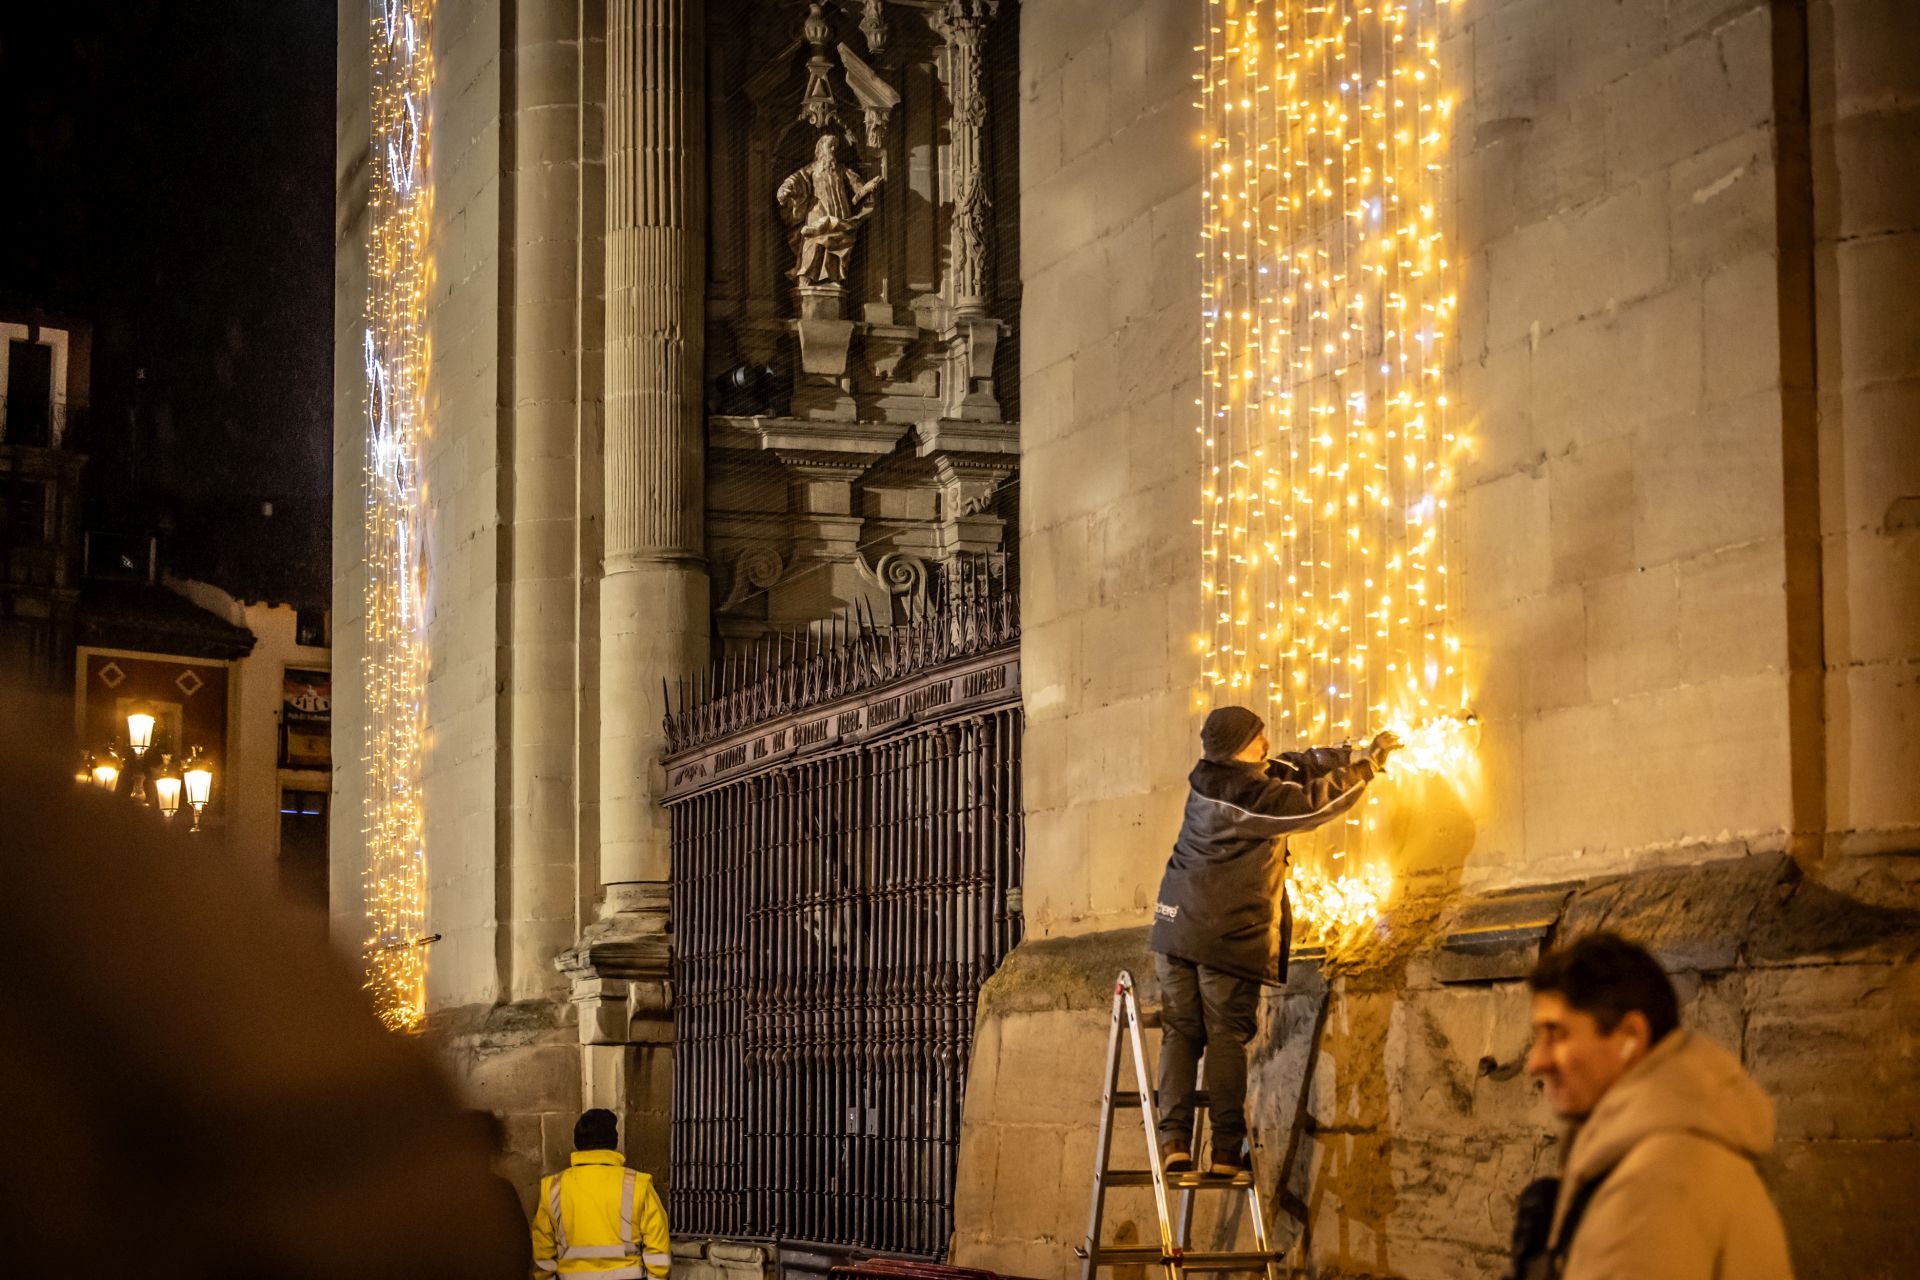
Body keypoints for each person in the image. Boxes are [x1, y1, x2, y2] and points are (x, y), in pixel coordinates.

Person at [1149, 705, 1399, 1175]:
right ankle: (1226, 1150)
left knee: (1180, 1032)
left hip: (1174, 926)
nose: (1266, 744)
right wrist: (1367, 769)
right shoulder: (1243, 798)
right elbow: (1309, 806)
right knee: (1225, 1035)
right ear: (1238, 746)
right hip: (1221, 935)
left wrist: (1347, 753)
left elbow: (1290, 766)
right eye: (1257, 738)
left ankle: (1174, 1142)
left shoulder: (1216, 777)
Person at [1512, 932, 1793, 1280]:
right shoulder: (1661, 1154)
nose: (1535, 1062)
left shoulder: (1654, 1183)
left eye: (1557, 1034)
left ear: (1630, 1036)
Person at [531, 1108, 671, 1279]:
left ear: (577, 1142)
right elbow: (658, 1248)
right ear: (614, 1142)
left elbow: (543, 1252)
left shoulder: (553, 1187)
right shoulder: (638, 1184)